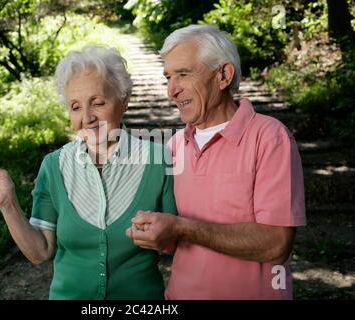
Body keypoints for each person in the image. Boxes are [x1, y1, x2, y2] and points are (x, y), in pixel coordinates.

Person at [0, 45, 177, 300]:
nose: (87, 117)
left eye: (98, 103)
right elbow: (40, 252)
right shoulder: (53, 166)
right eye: (75, 107)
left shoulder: (158, 160)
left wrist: (162, 236)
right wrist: (7, 204)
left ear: (124, 99)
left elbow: (175, 243)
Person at [126, 24, 306, 299]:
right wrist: (153, 229)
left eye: (183, 74)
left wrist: (181, 226)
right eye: (168, 77)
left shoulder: (270, 137)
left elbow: (276, 243)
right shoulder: (174, 147)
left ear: (223, 75)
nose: (171, 90)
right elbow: (172, 238)